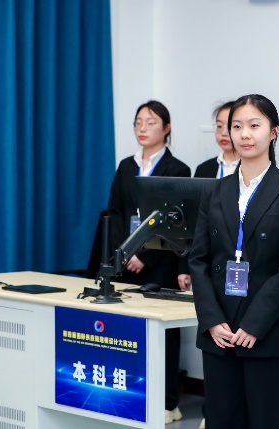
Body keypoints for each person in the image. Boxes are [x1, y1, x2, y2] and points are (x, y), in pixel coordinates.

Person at [189, 94, 279, 429]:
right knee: (222, 420)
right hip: (219, 333)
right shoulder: (213, 191)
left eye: (254, 125)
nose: (244, 134)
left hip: (266, 331)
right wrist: (212, 320)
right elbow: (198, 259)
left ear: (274, 132)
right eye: (237, 126)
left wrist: (254, 324)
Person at [106, 100, 191, 424]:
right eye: (138, 122)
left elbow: (176, 223)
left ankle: (168, 402)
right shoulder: (126, 166)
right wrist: (125, 252)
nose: (142, 128)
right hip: (125, 262)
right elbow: (115, 212)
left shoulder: (177, 169)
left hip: (160, 264)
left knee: (164, 336)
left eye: (150, 122)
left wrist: (145, 254)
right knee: (128, 331)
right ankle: (132, 396)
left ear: (166, 128)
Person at [177, 100, 238, 429]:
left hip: (240, 271)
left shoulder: (253, 170)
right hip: (206, 269)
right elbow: (190, 227)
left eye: (230, 125)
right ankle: (211, 414)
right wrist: (185, 266)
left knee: (235, 343)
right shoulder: (203, 169)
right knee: (212, 343)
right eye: (218, 126)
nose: (223, 132)